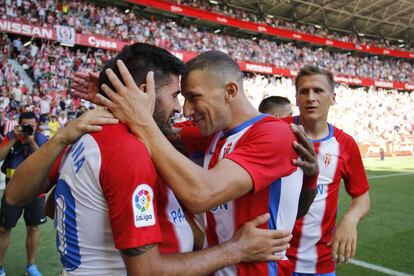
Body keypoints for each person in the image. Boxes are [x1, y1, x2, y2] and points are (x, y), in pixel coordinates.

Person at [5, 43, 291, 275]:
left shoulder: (98, 135)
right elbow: (147, 268)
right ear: (145, 93)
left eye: (191, 98)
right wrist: (236, 249)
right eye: (177, 96)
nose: (183, 109)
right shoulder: (125, 148)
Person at [95, 50, 319, 275]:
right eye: (182, 99)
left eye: (193, 97)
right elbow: (161, 127)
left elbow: (201, 195)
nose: (186, 110)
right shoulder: (212, 133)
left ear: (230, 91)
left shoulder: (275, 135)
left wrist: (141, 121)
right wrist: (109, 95)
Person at [283, 65, 370, 275]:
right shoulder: (277, 132)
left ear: (333, 97)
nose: (310, 97)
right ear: (296, 98)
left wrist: (350, 220)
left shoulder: (345, 144)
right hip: (274, 258)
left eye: (318, 90)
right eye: (304, 91)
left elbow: (362, 197)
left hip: (320, 263)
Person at [0, 112, 48, 276]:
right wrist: (14, 138)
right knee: (4, 229)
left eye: (32, 126)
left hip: (35, 192)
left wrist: (31, 140)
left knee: (33, 228)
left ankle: (31, 266)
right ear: (19, 125)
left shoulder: (41, 138)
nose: (29, 128)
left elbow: (44, 160)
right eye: (25, 125)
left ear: (37, 126)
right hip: (12, 192)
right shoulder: (11, 136)